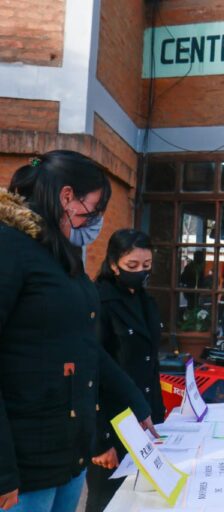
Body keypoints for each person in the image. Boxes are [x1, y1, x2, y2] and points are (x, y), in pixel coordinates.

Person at [0, 151, 156, 512]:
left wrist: (134, 400)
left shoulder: (58, 252)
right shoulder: (10, 248)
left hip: (67, 455)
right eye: (94, 208)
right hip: (25, 465)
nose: (95, 220)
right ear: (66, 196)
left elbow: (84, 345)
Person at [86, 229, 166, 512]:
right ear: (112, 264)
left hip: (145, 420)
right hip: (112, 422)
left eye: (147, 266)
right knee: (106, 502)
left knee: (142, 500)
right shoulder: (99, 302)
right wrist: (99, 440)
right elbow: (91, 372)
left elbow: (150, 363)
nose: (141, 273)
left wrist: (158, 417)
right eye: (132, 266)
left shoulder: (146, 301)